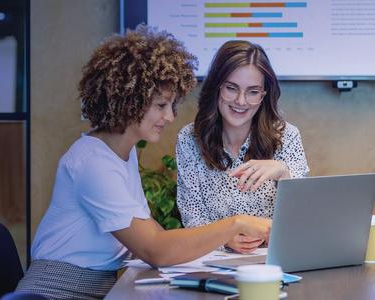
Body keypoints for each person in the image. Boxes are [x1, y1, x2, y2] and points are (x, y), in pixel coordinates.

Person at [16, 27, 271, 299]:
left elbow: (153, 235)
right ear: (130, 102)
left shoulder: (121, 153)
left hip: (98, 288)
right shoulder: (92, 163)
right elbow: (155, 248)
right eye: (161, 105)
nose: (170, 117)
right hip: (55, 291)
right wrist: (235, 224)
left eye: (171, 106)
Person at [176, 40, 309, 254]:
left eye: (253, 92)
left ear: (264, 95)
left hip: (274, 260)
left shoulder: (287, 136)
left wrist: (284, 172)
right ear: (217, 87)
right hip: (213, 260)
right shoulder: (189, 139)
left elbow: (303, 217)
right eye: (231, 88)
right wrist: (225, 239)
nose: (241, 101)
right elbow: (192, 215)